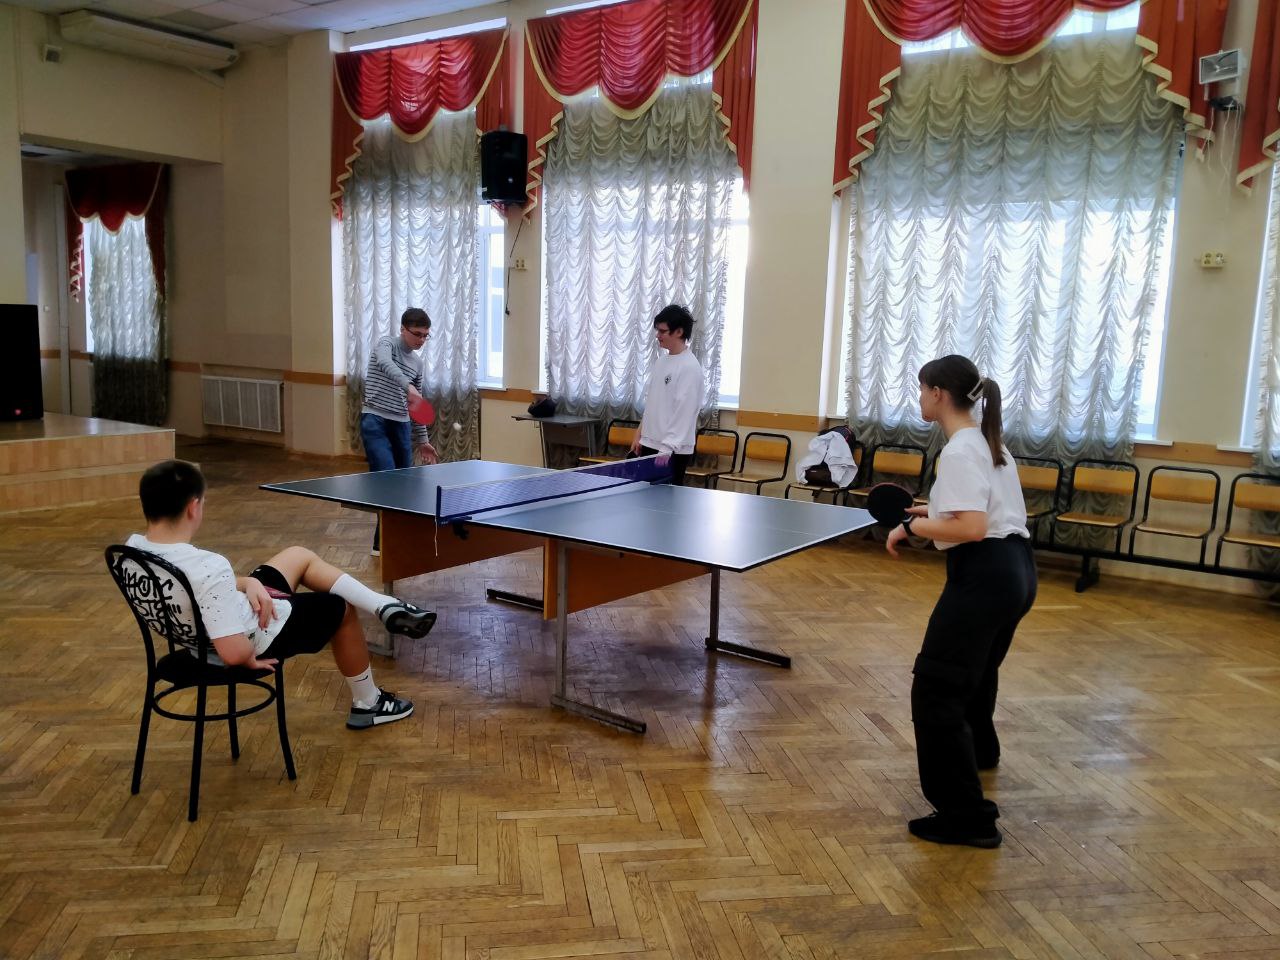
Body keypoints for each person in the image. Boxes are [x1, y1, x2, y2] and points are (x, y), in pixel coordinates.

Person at [126, 459, 435, 730]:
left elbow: (193, 582)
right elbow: (232, 653)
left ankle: (384, 604)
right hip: (255, 635)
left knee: (297, 555)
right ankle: (369, 703)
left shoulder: (131, 551)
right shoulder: (209, 566)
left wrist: (248, 583)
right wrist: (246, 658)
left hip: (200, 637)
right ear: (194, 507)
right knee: (339, 608)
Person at [884, 355, 1036, 848]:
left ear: (938, 394)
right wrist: (930, 511)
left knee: (935, 689)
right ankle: (981, 752)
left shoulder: (959, 451)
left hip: (985, 576)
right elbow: (980, 512)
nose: (919, 397)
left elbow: (970, 527)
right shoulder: (989, 443)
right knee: (977, 672)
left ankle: (967, 818)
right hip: (1017, 572)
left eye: (922, 388)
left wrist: (911, 528)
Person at [362, 307, 438, 554]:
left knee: (404, 485)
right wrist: (407, 385)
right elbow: (384, 363)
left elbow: (417, 404)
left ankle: (391, 540)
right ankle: (382, 543)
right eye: (417, 334)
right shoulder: (387, 345)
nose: (421, 340)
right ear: (403, 329)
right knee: (387, 480)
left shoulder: (417, 363)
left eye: (426, 335)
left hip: (401, 425)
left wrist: (423, 441)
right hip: (375, 420)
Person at [629, 304, 704, 485]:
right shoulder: (661, 362)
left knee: (667, 499)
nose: (657, 335)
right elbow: (653, 403)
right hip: (650, 443)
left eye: (662, 331)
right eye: (657, 330)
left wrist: (667, 447)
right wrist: (640, 434)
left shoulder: (690, 367)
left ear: (679, 332)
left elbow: (685, 411)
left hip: (672, 450)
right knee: (645, 498)